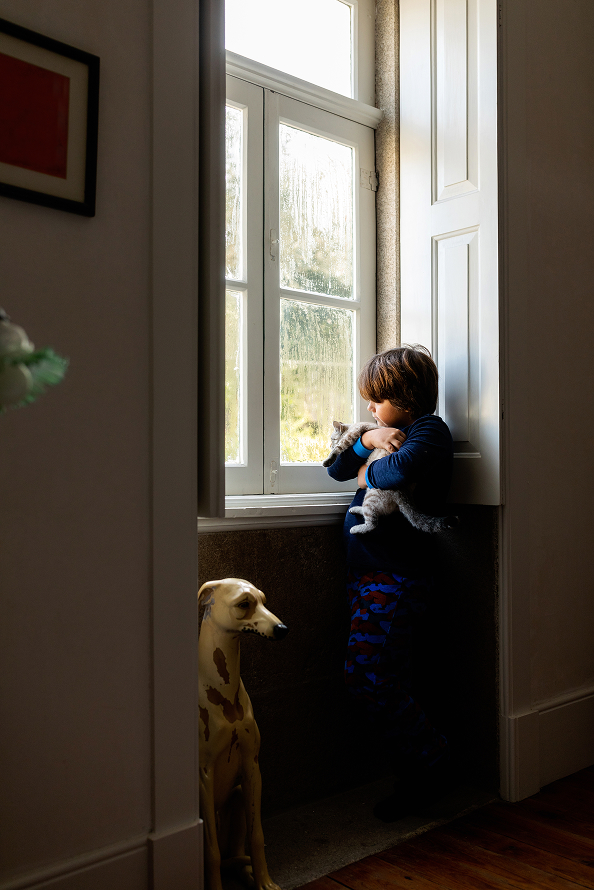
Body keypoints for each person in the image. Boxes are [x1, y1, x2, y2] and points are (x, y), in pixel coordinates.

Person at [326, 345, 454, 821]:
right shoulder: (385, 430)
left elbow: (392, 471)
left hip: (399, 577)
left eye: (377, 400)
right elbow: (339, 469)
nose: (369, 408)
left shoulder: (430, 432)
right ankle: (418, 770)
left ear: (404, 394)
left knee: (370, 677)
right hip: (368, 575)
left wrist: (368, 466)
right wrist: (369, 438)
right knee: (384, 676)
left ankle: (432, 765)